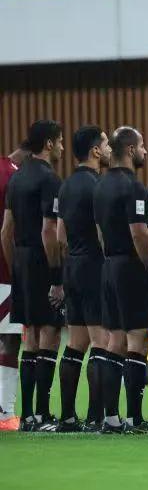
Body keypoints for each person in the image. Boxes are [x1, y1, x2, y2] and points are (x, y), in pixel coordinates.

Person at [1, 120, 64, 432]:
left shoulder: (16, 178)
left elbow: (5, 232)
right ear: (49, 144)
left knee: (30, 337)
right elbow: (49, 231)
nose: (62, 147)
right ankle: (42, 414)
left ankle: (27, 416)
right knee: (49, 333)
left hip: (21, 261)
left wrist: (15, 267)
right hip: (41, 259)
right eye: (60, 141)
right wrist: (56, 277)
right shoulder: (50, 179)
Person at [93, 126, 148, 434]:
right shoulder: (134, 187)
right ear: (130, 150)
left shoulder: (101, 185)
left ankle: (111, 418)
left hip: (108, 265)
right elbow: (139, 233)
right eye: (142, 146)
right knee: (138, 340)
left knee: (114, 341)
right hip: (131, 267)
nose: (145, 151)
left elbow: (99, 232)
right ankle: (134, 418)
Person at [54, 126, 111, 433]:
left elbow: (60, 236)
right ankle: (95, 417)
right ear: (95, 151)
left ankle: (67, 416)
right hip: (94, 266)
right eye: (106, 144)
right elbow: (103, 234)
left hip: (72, 267)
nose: (110, 150)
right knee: (101, 343)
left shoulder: (65, 186)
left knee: (76, 344)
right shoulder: (98, 186)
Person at [0, 144, 27, 432]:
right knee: (9, 341)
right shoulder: (12, 176)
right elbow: (8, 230)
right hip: (5, 274)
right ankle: (5, 412)